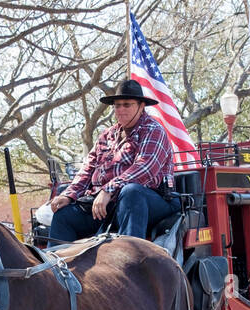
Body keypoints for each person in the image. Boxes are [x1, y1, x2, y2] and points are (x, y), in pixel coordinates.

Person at [44, 78, 177, 246]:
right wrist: (68, 195)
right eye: (117, 105)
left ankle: (130, 260)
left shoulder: (153, 130)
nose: (120, 110)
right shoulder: (107, 135)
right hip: (108, 203)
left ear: (141, 106)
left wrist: (108, 190)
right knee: (64, 215)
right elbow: (88, 168)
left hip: (152, 200)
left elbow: (144, 168)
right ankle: (57, 268)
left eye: (127, 105)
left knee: (131, 193)